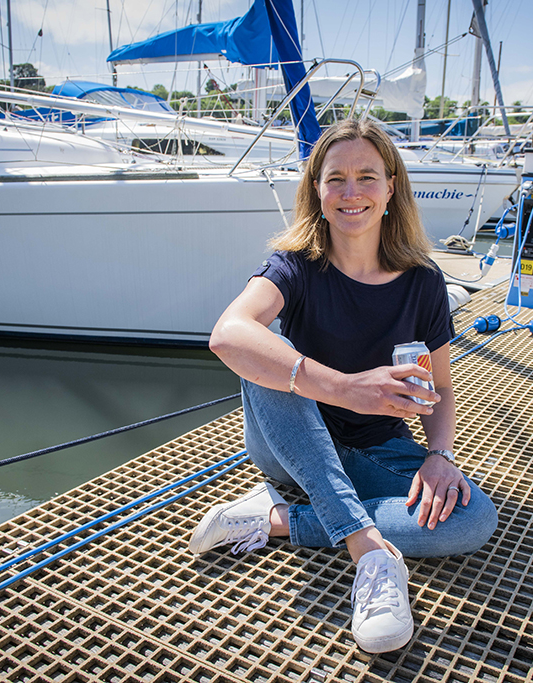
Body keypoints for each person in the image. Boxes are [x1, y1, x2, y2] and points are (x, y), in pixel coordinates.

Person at [190, 119, 498, 654]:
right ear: (317, 189)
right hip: (292, 445)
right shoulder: (296, 268)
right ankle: (371, 553)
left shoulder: (423, 282)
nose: (351, 192)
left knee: (472, 519)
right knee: (263, 357)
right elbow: (228, 334)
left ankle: (276, 519)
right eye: (336, 178)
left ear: (390, 187)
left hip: (377, 449)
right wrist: (345, 388)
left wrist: (441, 455)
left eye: (366, 177)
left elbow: (441, 391)